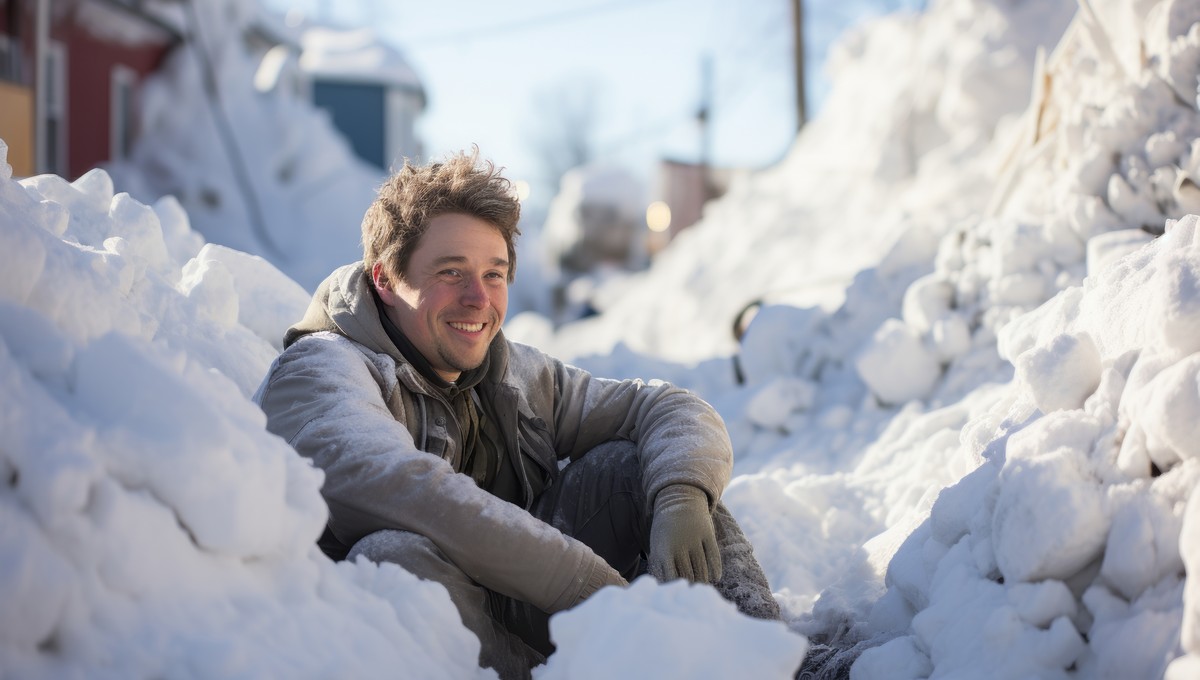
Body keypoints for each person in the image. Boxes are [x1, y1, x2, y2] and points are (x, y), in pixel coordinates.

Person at [254, 150, 780, 679]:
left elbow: (663, 405)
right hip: (443, 637)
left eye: (494, 273)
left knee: (642, 466)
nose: (478, 298)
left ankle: (765, 657)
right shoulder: (319, 370)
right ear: (386, 280)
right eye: (451, 272)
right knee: (392, 556)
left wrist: (682, 496)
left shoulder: (508, 372)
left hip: (522, 604)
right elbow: (399, 488)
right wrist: (594, 591)